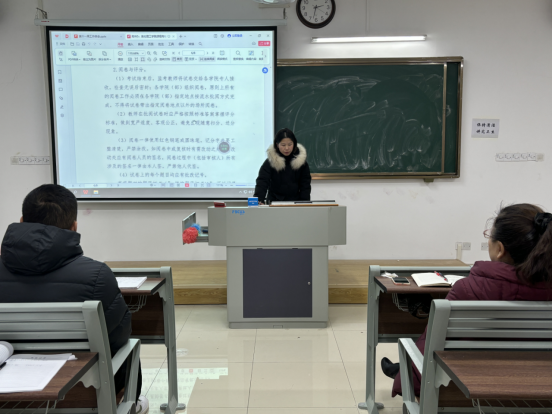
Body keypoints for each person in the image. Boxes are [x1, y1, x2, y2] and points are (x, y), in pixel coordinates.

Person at [0, 184, 148, 413]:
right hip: (83, 390)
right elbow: (119, 334)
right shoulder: (97, 275)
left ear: (21, 221)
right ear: (74, 226)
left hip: (8, 393)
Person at [384, 203, 552, 397]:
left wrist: (406, 370)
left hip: (465, 390)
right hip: (541, 388)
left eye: (489, 236)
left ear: (500, 249)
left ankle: (403, 370)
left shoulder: (468, 290)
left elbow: (431, 346)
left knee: (423, 344)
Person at [254, 128, 311, 204]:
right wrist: (259, 199)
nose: (287, 148)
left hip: (295, 203)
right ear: (277, 145)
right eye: (283, 145)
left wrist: (304, 203)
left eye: (290, 144)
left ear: (294, 144)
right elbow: (262, 181)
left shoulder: (301, 162)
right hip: (274, 202)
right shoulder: (271, 161)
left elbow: (305, 185)